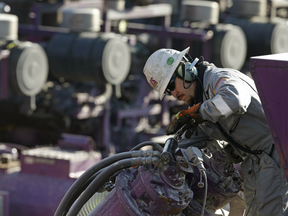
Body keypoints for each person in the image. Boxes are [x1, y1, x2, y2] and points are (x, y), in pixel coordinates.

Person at [143, 47, 288, 216]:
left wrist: (197, 113)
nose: (173, 93)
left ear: (186, 70)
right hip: (255, 163)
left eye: (171, 84)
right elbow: (189, 141)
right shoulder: (202, 104)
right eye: (168, 91)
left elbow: (236, 99)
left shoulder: (217, 79)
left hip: (275, 154)